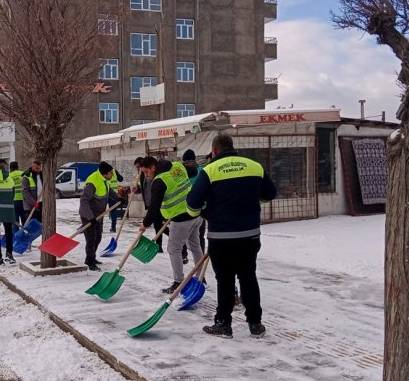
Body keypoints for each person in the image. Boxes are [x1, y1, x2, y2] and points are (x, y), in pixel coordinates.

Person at [186, 134, 276, 339]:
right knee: (248, 277)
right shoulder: (254, 166)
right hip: (250, 235)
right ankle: (255, 323)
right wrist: (252, 202)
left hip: (221, 237)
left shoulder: (209, 171)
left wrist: (203, 213)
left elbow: (192, 204)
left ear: (215, 150)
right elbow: (270, 194)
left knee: (225, 280)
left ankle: (223, 324)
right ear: (232, 147)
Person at [138, 156, 202, 294]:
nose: (146, 176)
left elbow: (154, 208)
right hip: (196, 213)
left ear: (153, 168)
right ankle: (200, 277)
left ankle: (179, 282)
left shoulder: (159, 181)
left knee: (174, 249)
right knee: (195, 246)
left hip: (181, 218)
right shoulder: (177, 165)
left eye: (146, 172)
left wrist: (144, 224)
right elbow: (194, 172)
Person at [78, 161, 123, 271]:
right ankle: (89, 261)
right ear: (105, 174)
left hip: (99, 215)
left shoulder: (104, 179)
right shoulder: (92, 182)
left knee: (98, 238)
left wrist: (118, 197)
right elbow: (84, 201)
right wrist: (90, 217)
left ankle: (92, 257)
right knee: (91, 240)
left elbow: (109, 190)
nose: (112, 175)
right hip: (89, 216)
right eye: (110, 174)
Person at [9, 161, 27, 232]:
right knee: (25, 221)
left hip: (13, 201)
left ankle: (16, 238)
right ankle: (24, 237)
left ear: (10, 168)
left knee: (15, 222)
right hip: (24, 201)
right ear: (17, 167)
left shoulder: (9, 176)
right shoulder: (23, 174)